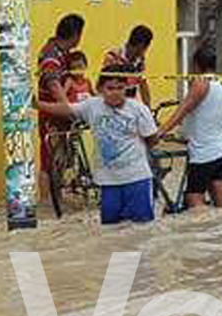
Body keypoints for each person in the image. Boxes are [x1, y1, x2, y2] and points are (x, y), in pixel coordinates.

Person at [38, 74, 159, 224]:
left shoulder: (138, 109)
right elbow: (67, 109)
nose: (115, 93)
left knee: (141, 227)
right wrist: (37, 105)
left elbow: (152, 138)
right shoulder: (92, 106)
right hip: (108, 182)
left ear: (126, 89)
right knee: (109, 229)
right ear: (100, 89)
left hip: (137, 179)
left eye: (120, 88)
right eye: (110, 88)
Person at [158, 43, 222, 209]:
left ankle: (201, 231)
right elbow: (209, 115)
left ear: (196, 65)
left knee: (194, 196)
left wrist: (160, 132)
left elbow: (182, 112)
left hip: (205, 151)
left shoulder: (201, 82)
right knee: (218, 188)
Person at [38, 13, 85, 188]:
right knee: (48, 159)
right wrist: (69, 108)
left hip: (62, 113)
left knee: (62, 158)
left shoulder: (64, 53)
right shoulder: (51, 54)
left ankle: (58, 195)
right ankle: (47, 203)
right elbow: (53, 84)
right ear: (76, 35)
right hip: (51, 113)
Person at [103, 24, 154, 106]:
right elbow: (104, 85)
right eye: (145, 48)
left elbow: (143, 85)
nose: (145, 51)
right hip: (113, 105)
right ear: (140, 45)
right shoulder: (113, 57)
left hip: (129, 105)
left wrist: (148, 109)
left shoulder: (139, 60)